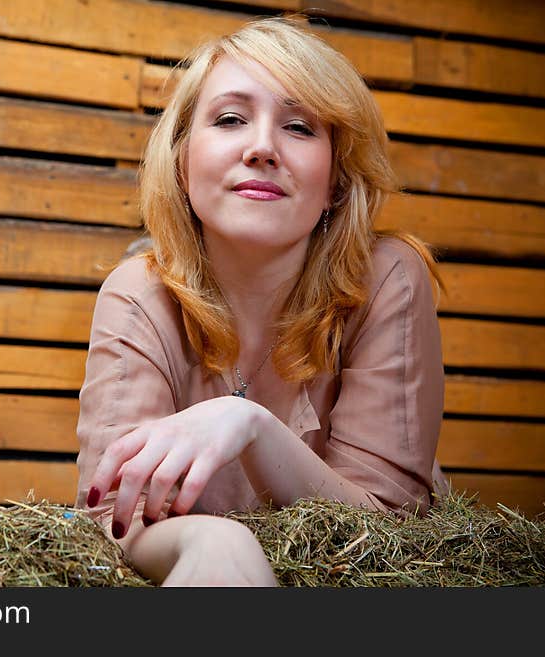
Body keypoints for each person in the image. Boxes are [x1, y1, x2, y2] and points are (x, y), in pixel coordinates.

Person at [75, 16, 447, 586]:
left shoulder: (387, 279)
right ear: (182, 163)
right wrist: (213, 541)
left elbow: (391, 527)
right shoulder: (137, 295)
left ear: (336, 183)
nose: (261, 148)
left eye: (299, 127)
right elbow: (112, 518)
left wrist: (249, 425)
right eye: (229, 119)